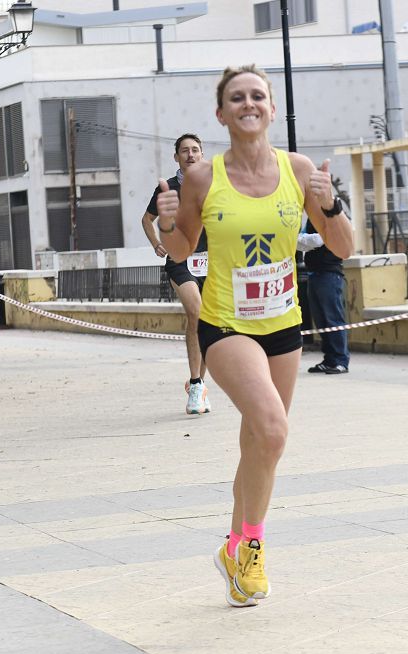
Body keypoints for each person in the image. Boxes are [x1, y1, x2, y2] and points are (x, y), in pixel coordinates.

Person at [156, 65, 354, 607]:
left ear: (270, 108)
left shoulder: (299, 169)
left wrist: (330, 201)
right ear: (222, 113)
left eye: (258, 96)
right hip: (226, 325)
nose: (249, 103)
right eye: (236, 97)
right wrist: (168, 223)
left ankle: (232, 549)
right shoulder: (202, 177)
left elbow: (343, 245)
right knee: (272, 429)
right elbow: (179, 252)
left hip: (283, 324)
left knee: (259, 444)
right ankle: (251, 547)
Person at [142, 133, 211, 415]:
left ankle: (199, 384)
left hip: (213, 260)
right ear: (176, 157)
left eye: (196, 149)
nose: (191, 154)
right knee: (195, 311)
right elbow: (147, 220)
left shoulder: (213, 184)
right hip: (181, 260)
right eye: (185, 151)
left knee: (207, 321)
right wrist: (157, 243)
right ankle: (196, 385)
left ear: (202, 154)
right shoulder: (167, 188)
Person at [303, 217, 350, 374]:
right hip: (314, 273)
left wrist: (298, 239)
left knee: (333, 318)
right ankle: (329, 360)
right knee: (321, 320)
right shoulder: (311, 217)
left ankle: (341, 360)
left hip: (329, 273)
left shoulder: (331, 215)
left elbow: (319, 240)